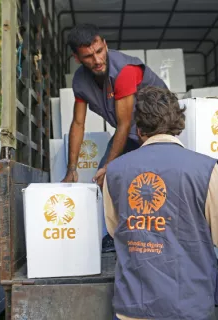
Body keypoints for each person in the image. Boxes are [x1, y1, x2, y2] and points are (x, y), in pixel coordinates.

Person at [103, 86, 218, 320]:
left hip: (133, 308)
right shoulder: (205, 169)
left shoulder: (114, 172)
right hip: (189, 307)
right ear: (178, 125)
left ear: (139, 129)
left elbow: (116, 230)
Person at [61, 24, 167, 252]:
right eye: (88, 56)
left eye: (100, 51)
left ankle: (155, 235)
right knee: (103, 181)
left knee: (140, 183)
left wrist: (110, 166)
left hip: (157, 133)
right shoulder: (80, 81)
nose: (97, 60)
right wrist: (72, 167)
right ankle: (114, 234)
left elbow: (124, 123)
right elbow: (78, 123)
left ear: (105, 45)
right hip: (129, 132)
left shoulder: (125, 70)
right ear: (77, 58)